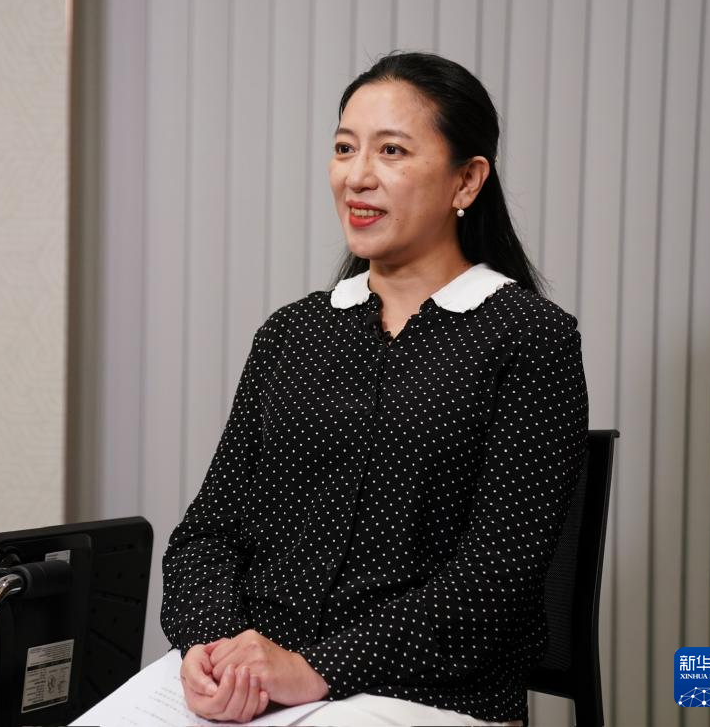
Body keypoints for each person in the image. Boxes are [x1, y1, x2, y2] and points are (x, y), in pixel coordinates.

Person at [160, 51, 588, 726]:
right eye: (344, 148)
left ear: (467, 180)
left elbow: (495, 579)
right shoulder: (292, 333)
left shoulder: (530, 338)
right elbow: (208, 534)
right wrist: (212, 648)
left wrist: (315, 669)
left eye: (391, 151)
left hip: (426, 692)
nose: (356, 176)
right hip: (258, 679)